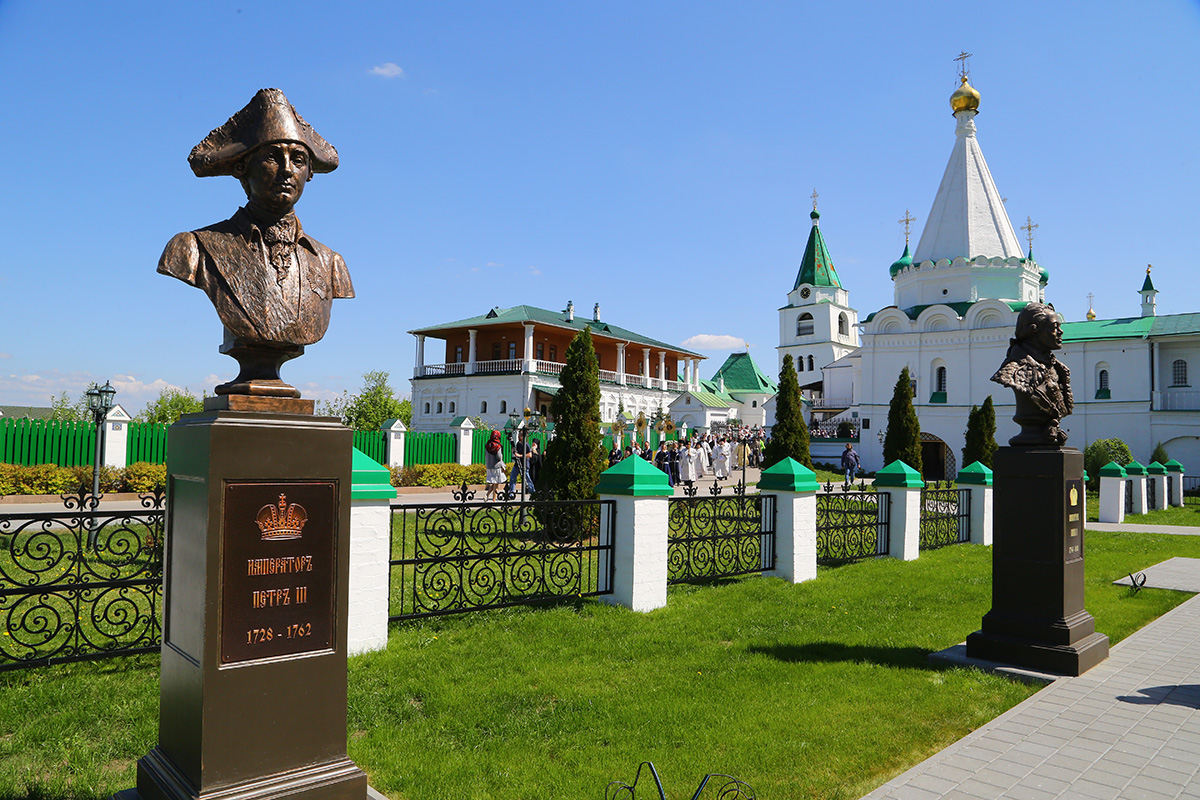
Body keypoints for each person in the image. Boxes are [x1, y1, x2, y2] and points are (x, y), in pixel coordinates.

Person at [158, 89, 353, 397]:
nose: (288, 169)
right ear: (242, 167)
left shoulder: (330, 262)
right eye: (273, 157)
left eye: (299, 159)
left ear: (310, 173)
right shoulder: (194, 248)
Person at [992, 302, 1073, 446]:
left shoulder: (1058, 369)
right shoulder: (1015, 369)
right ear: (1034, 330)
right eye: (1055, 327)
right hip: (1028, 438)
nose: (1061, 332)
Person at [507, 430, 535, 495]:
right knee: (513, 477)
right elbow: (516, 452)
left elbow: (530, 455)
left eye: (520, 435)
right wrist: (514, 452)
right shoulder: (518, 444)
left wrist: (520, 455)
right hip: (517, 463)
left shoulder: (526, 444)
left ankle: (532, 491)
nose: (519, 436)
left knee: (527, 478)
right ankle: (511, 492)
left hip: (524, 464)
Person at [484, 430, 505, 501]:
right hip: (496, 466)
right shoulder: (497, 445)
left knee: (493, 482)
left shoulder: (487, 444)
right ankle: (494, 499)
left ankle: (486, 495)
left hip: (489, 466)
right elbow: (499, 457)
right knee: (496, 484)